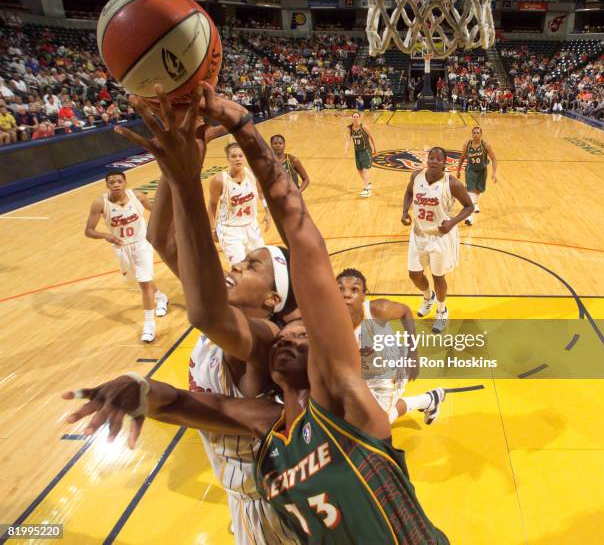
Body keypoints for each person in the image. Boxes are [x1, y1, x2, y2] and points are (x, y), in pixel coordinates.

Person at [65, 82, 450, 544]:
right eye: (291, 335)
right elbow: (187, 400)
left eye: (302, 334)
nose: (289, 338)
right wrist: (138, 389)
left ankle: (427, 400)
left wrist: (242, 129)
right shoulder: (270, 425)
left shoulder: (345, 402)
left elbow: (300, 239)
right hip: (252, 507)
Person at [113, 92, 300, 544]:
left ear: (273, 298)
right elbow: (162, 237)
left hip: (272, 507)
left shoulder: (262, 338)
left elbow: (205, 315)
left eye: (251, 265)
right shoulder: (228, 306)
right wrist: (172, 162)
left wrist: (186, 175)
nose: (236, 265)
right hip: (243, 497)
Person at [337, 267, 446, 424]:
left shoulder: (378, 310)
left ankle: (428, 400)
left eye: (354, 289)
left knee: (379, 423)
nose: (346, 294)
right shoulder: (329, 319)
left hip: (390, 375)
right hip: (362, 372)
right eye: (340, 289)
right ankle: (429, 399)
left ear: (363, 296)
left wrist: (413, 353)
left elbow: (406, 312)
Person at [84, 171, 169, 342]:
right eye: (112, 182)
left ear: (125, 183)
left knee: (144, 283)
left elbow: (158, 211)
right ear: (107, 184)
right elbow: (88, 231)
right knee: (138, 280)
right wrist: (105, 235)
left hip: (141, 243)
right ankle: (160, 297)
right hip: (122, 247)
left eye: (119, 181)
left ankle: (149, 325)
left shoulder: (137, 196)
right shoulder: (100, 203)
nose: (116, 184)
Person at [401, 147, 474, 333]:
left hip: (440, 237)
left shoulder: (452, 183)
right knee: (414, 275)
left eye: (438, 159)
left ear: (444, 162)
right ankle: (428, 297)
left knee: (437, 276)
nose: (434, 161)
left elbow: (469, 207)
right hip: (418, 233)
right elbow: (409, 193)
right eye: (431, 158)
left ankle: (442, 311)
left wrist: (452, 222)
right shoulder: (416, 176)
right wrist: (404, 212)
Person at [208, 142, 271, 266]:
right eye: (234, 156)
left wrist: (267, 212)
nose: (238, 159)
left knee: (262, 265)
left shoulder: (253, 174)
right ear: (228, 159)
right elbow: (212, 205)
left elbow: (260, 192)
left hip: (252, 225)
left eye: (240, 156)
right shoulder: (219, 180)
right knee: (240, 268)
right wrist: (212, 230)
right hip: (230, 230)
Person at [456, 126, 498, 226]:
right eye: (474, 133)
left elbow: (494, 159)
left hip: (482, 170)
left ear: (481, 134)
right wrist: (458, 170)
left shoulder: (486, 145)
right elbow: (462, 158)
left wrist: (494, 173)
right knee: (470, 190)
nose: (475, 134)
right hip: (470, 170)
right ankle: (469, 217)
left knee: (478, 190)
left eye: (477, 133)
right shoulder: (467, 144)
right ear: (472, 134)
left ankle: (475, 203)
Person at [344, 111, 377, 197]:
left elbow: (372, 137)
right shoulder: (349, 128)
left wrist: (375, 148)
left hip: (366, 150)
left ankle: (366, 189)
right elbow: (348, 140)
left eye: (357, 117)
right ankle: (368, 184)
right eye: (354, 117)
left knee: (365, 169)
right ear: (352, 118)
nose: (355, 118)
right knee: (359, 170)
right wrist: (346, 150)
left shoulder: (364, 127)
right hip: (357, 151)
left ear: (359, 118)